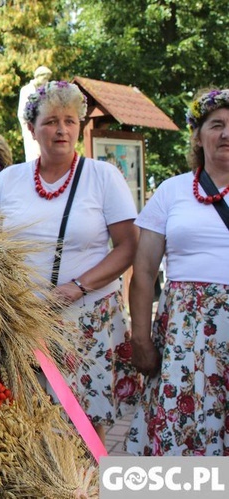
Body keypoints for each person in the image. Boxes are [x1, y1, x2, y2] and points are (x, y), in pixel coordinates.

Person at [0, 80, 140, 443]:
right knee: (26, 420)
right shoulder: (9, 181)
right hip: (25, 322)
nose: (62, 130)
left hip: (87, 319)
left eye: (70, 121)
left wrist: (78, 287)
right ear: (31, 128)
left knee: (85, 423)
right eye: (51, 121)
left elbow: (128, 246)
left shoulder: (103, 177)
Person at [127, 88, 229, 456]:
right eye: (216, 125)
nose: (226, 134)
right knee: (181, 429)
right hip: (184, 332)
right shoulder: (172, 191)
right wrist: (140, 339)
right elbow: (143, 272)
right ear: (199, 136)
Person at [18, 66, 53, 162]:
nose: (46, 81)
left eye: (47, 79)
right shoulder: (26, 90)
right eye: (45, 78)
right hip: (31, 129)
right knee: (33, 155)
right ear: (38, 76)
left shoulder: (45, 91)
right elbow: (22, 113)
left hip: (44, 128)